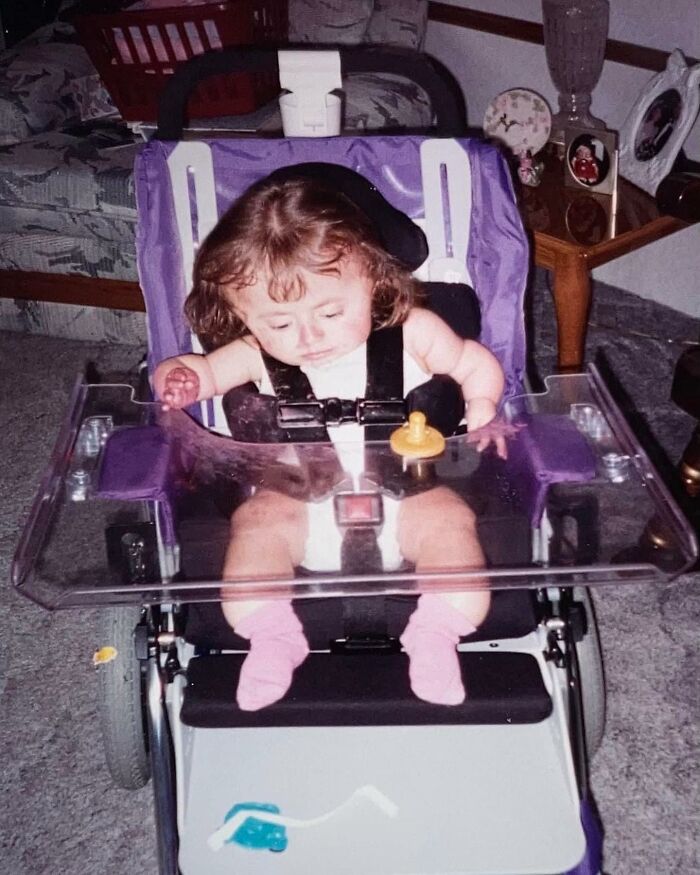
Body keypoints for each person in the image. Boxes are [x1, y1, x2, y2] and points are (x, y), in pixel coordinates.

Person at [153, 167, 506, 712]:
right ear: (242, 315)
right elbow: (202, 372)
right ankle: (273, 636)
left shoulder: (414, 331)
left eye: (331, 312)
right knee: (255, 525)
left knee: (451, 522)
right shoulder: (253, 354)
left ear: (375, 279)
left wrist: (483, 408)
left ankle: (435, 632)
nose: (309, 336)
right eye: (279, 324)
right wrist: (178, 378)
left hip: (409, 493)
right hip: (295, 500)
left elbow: (472, 362)